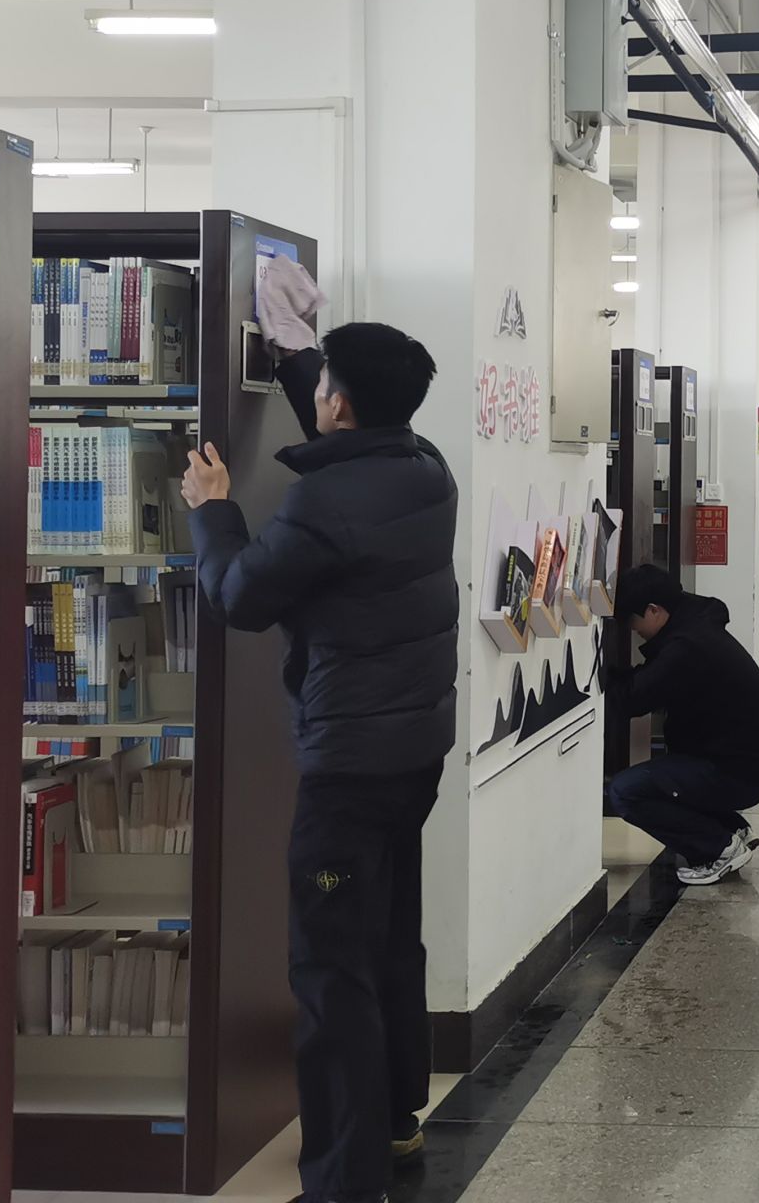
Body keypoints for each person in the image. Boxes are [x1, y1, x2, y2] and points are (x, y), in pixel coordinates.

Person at [179, 261, 454, 1203]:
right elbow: (348, 439)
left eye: (324, 385)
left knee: (329, 967)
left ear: (340, 405)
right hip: (413, 753)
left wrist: (213, 509)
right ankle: (396, 1118)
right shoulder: (424, 466)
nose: (321, 396)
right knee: (390, 937)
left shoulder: (326, 504)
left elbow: (240, 595)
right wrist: (300, 358)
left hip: (347, 771)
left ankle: (343, 1181)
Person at [606, 564, 759, 885]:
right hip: (746, 764)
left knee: (625, 792)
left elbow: (634, 698)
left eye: (632, 621)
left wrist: (598, 682)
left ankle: (719, 848)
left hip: (739, 773)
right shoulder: (693, 625)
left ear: (653, 610)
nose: (633, 630)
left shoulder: (687, 647)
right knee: (662, 774)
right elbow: (646, 682)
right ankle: (730, 827)